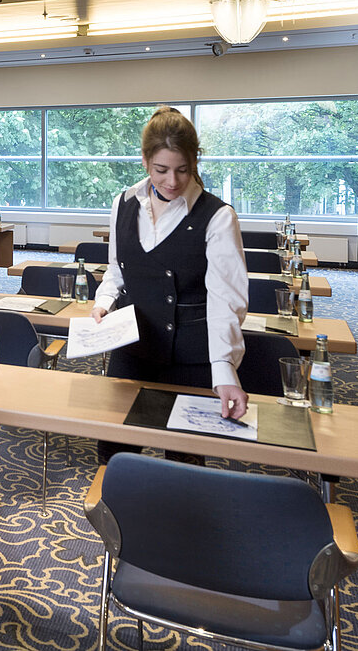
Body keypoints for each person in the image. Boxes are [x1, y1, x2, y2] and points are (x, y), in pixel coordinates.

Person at [91, 107, 249, 461]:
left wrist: (224, 371)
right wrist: (104, 301)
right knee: (113, 454)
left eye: (183, 169)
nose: (173, 181)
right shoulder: (123, 203)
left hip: (190, 356)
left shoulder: (218, 216)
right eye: (161, 170)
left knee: (184, 463)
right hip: (131, 347)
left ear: (195, 162)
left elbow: (226, 301)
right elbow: (118, 269)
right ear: (145, 160)